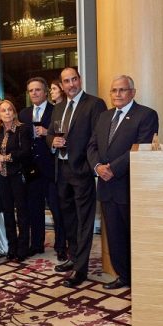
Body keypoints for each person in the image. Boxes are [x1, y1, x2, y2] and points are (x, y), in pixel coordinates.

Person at [87, 75, 158, 290]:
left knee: (135, 236)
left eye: (122, 90)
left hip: (130, 186)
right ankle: (124, 276)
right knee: (115, 236)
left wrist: (113, 169)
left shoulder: (146, 115)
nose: (117, 94)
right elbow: (92, 146)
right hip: (107, 187)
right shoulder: (103, 116)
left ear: (133, 92)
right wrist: (98, 167)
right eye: (114, 90)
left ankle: (142, 278)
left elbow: (142, 147)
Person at [49, 67, 107, 288]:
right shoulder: (59, 107)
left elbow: (97, 138)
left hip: (81, 170)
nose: (71, 84)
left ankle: (80, 269)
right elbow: (52, 134)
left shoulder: (95, 104)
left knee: (84, 220)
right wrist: (52, 142)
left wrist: (89, 166)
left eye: (74, 79)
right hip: (61, 170)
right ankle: (73, 258)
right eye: (66, 81)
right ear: (62, 85)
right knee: (68, 219)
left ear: (80, 80)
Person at [18, 77, 66, 260]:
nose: (34, 93)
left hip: (52, 168)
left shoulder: (57, 111)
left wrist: (48, 133)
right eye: (31, 91)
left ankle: (61, 246)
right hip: (31, 169)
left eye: (38, 90)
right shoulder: (23, 114)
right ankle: (37, 244)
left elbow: (63, 135)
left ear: (45, 92)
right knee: (34, 209)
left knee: (56, 209)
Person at [0, 100, 32, 262]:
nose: (7, 113)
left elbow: (25, 152)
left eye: (9, 110)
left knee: (21, 212)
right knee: (7, 212)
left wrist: (4, 158)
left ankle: (22, 248)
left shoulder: (22, 129)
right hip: (3, 176)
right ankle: (11, 247)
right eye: (3, 111)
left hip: (18, 175)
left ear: (14, 112)